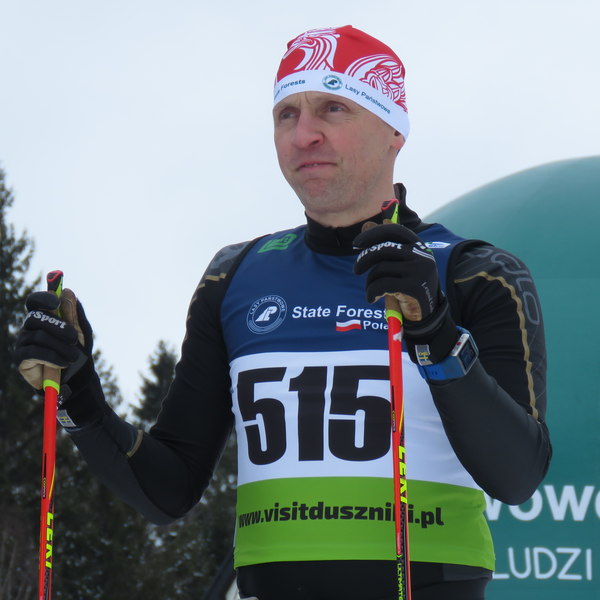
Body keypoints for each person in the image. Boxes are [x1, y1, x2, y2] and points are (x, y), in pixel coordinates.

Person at [15, 25, 552, 600]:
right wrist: (79, 395)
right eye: (286, 115)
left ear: (394, 129)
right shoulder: (236, 276)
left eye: (333, 109)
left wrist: (435, 332)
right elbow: (168, 491)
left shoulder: (475, 273)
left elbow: (516, 475)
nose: (304, 135)